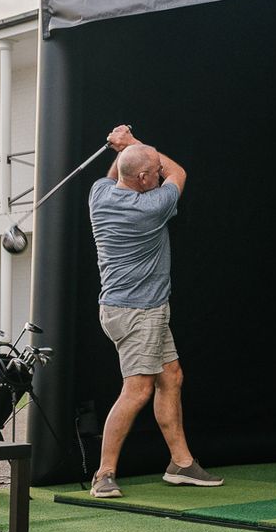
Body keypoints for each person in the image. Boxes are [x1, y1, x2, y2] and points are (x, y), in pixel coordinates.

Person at [86, 124, 222, 498]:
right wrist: (131, 142)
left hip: (129, 309)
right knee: (138, 390)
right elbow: (179, 173)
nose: (160, 175)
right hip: (138, 313)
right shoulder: (151, 207)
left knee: (171, 377)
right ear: (144, 179)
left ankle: (181, 463)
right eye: (154, 172)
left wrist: (123, 149)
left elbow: (121, 170)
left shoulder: (99, 194)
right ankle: (104, 474)